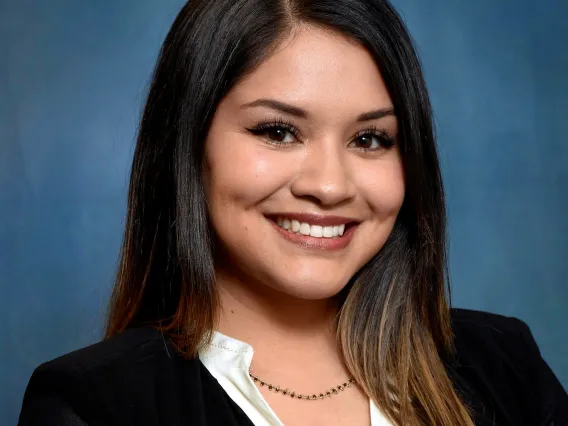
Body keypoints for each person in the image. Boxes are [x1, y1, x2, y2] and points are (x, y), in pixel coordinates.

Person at [18, 0, 568, 425]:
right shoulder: (95, 405)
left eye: (371, 138)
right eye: (277, 131)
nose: (329, 186)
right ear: (188, 147)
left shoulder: (503, 364)